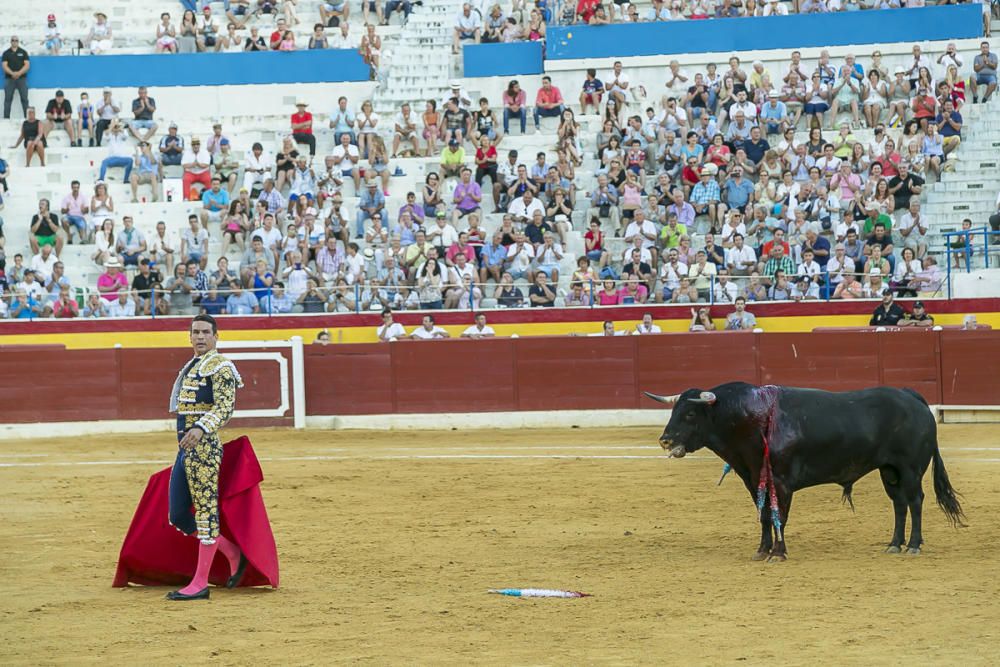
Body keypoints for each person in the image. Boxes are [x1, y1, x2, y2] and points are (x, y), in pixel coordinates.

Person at [165, 315, 247, 601]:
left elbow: (226, 406)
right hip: (186, 449)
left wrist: (200, 428)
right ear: (189, 336)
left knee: (205, 511)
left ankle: (200, 583)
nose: (200, 337)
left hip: (206, 448)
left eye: (205, 332)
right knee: (177, 514)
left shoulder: (221, 366)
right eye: (195, 332)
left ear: (216, 336)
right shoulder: (193, 365)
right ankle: (232, 551)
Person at [2, 36, 30, 120]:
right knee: (8, 99)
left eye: (16, 40)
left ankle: (27, 118)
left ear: (18, 42)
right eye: (13, 40)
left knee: (24, 99)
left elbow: (27, 65)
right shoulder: (6, 53)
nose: (14, 42)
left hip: (22, 79)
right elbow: (4, 66)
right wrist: (12, 73)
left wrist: (19, 73)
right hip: (9, 79)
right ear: (10, 42)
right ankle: (6, 119)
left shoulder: (23, 52)